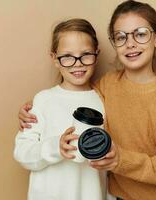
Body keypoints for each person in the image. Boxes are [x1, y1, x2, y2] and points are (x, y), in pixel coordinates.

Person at [18, 1, 156, 199]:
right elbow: (72, 96)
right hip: (119, 195)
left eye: (140, 34)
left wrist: (122, 160)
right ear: (113, 43)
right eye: (121, 37)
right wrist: (32, 108)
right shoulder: (107, 86)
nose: (130, 43)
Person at [14, 18, 113, 200]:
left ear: (96, 54)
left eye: (86, 54)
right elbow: (22, 153)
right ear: (55, 59)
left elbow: (110, 166)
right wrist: (55, 147)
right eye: (67, 56)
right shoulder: (43, 100)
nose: (78, 63)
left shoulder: (104, 100)